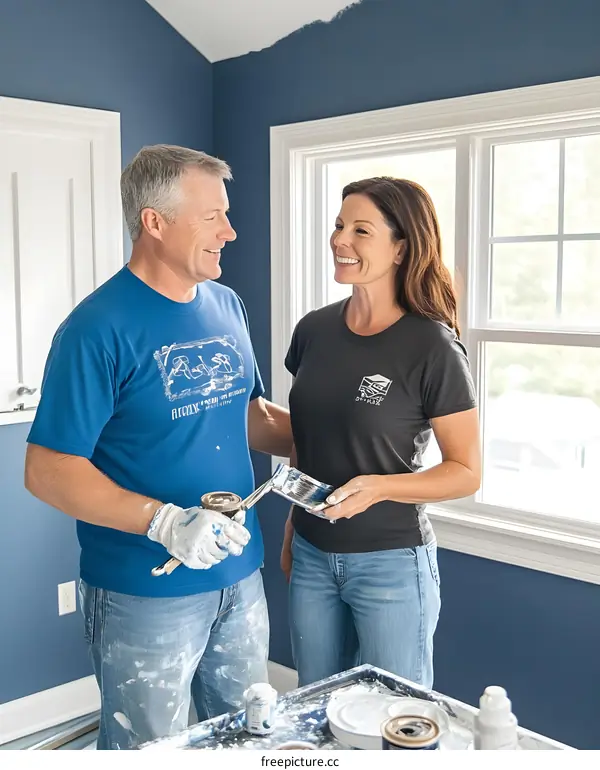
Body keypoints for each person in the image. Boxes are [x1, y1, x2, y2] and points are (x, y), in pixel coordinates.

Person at [24, 145, 293, 749]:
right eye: (211, 217)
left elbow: (247, 414)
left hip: (239, 575)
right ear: (155, 221)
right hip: (143, 590)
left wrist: (340, 443)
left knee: (246, 736)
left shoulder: (227, 306)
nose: (230, 231)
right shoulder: (96, 328)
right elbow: (47, 469)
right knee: (151, 751)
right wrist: (164, 521)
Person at [280, 177, 481, 690]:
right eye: (339, 225)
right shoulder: (313, 331)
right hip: (311, 556)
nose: (340, 239)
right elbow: (308, 441)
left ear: (400, 247)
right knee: (313, 709)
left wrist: (380, 486)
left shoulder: (432, 346)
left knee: (394, 716)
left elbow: (466, 472)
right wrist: (291, 530)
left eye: (361, 230)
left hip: (391, 563)